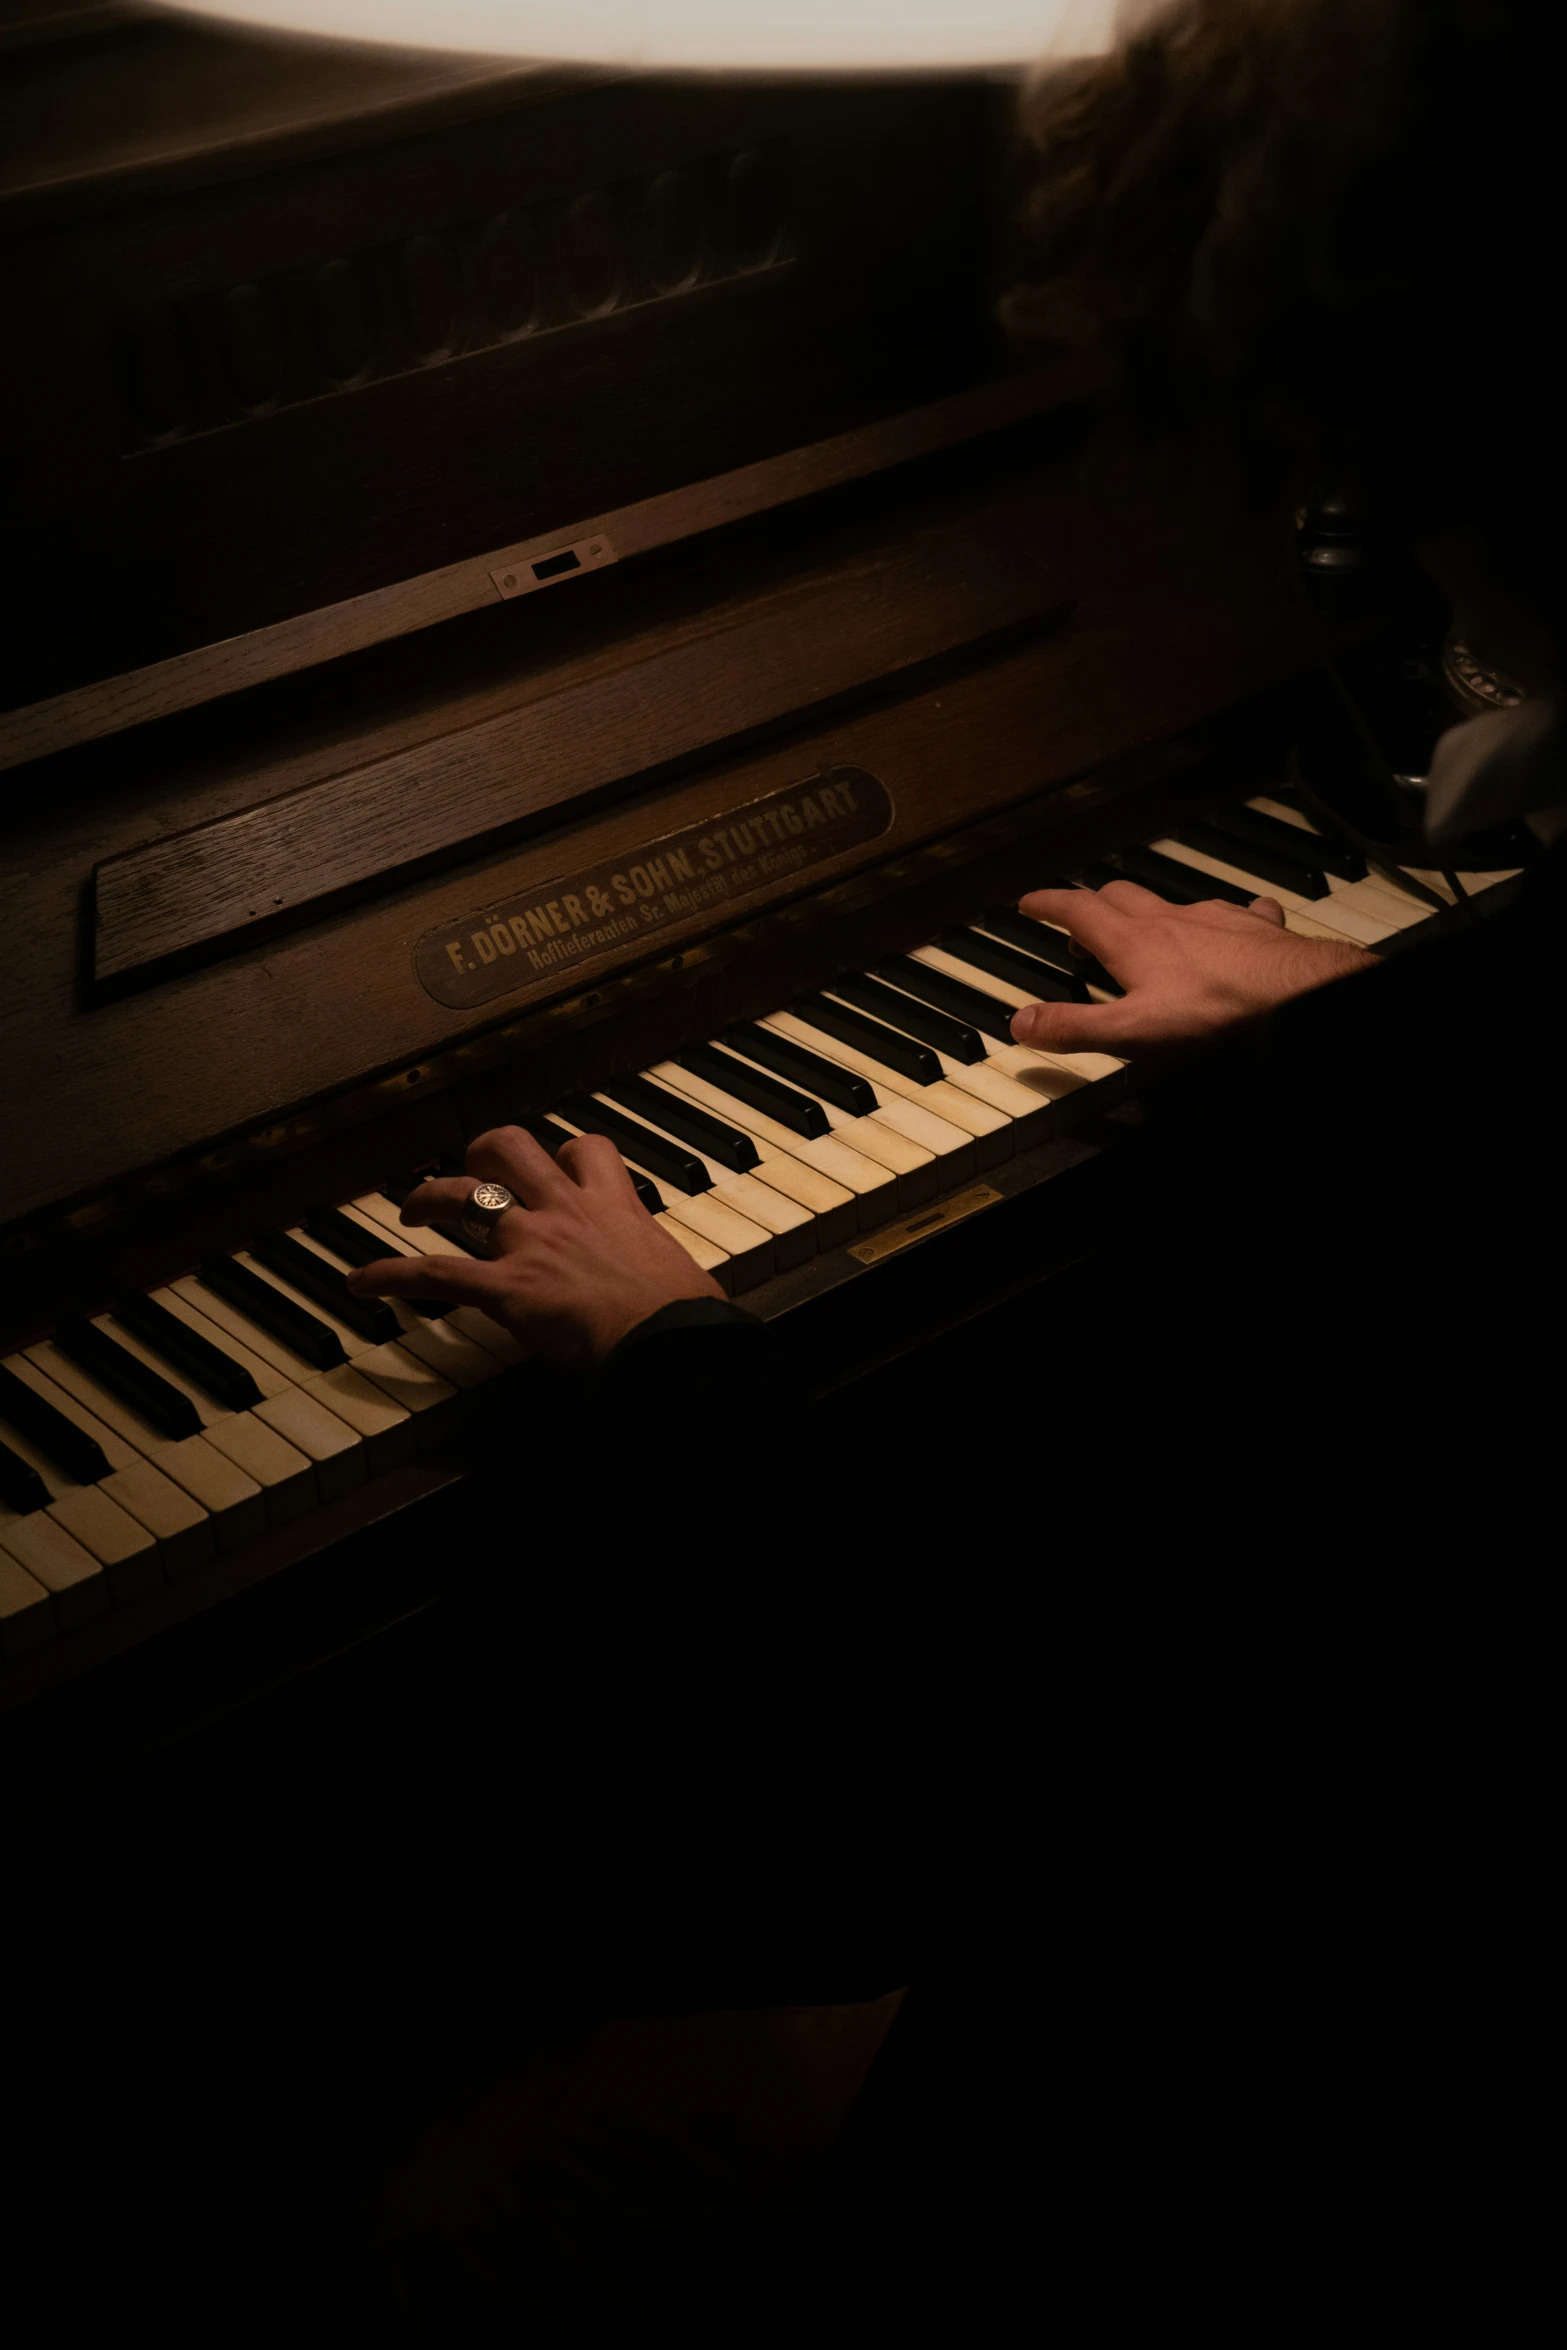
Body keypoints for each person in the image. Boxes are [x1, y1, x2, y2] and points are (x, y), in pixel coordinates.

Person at [342, 0, 1565, 2332]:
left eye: (1368, 495)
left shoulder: (1411, 1139)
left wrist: (666, 1330)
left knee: (460, 2187)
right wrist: (1343, 987)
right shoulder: (1417, 1077)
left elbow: (900, 1764)